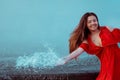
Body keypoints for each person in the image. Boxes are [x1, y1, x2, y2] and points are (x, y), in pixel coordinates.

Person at [56, 12, 120, 80]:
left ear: (97, 21)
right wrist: (65, 59)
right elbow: (78, 51)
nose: (93, 23)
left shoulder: (107, 29)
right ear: (86, 24)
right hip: (108, 68)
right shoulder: (87, 40)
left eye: (94, 20)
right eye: (89, 22)